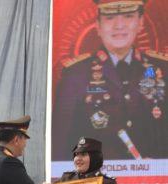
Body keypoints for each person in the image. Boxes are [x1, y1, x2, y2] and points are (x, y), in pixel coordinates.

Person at [52, 0, 168, 160]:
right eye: (110, 17)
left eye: (128, 16)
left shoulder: (162, 69)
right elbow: (60, 145)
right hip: (99, 180)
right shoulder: (75, 74)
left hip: (152, 181)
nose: (119, 25)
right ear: (98, 25)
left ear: (140, 23)